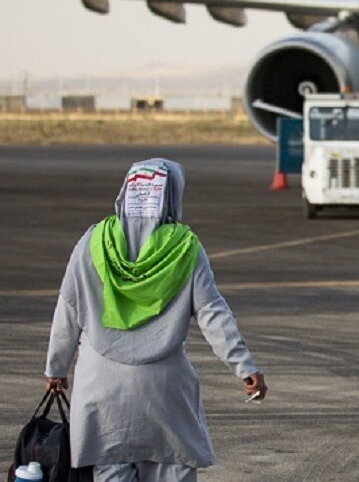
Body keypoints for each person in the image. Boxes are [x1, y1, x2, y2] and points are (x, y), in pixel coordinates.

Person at [44, 158, 266, 481]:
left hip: (101, 392)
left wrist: (55, 368)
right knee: (171, 470)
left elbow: (67, 309)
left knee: (111, 471)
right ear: (172, 196)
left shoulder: (91, 243)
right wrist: (244, 366)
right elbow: (212, 313)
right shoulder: (185, 248)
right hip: (164, 393)